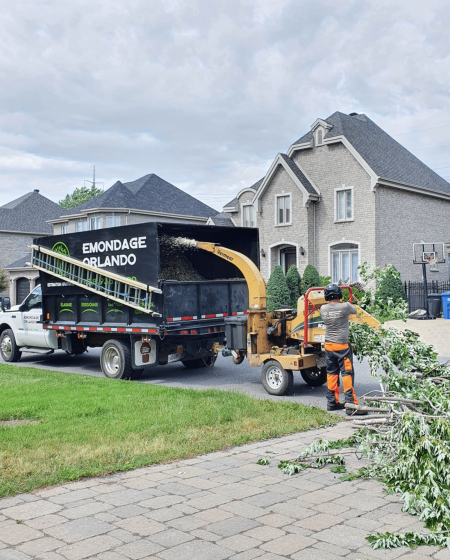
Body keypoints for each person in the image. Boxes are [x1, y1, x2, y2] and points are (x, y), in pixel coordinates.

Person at [319, 284, 367, 415]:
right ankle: (351, 405)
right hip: (342, 347)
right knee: (347, 374)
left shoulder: (322, 308)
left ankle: (332, 402)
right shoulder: (345, 306)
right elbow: (355, 310)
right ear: (339, 294)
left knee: (332, 374)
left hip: (329, 346)